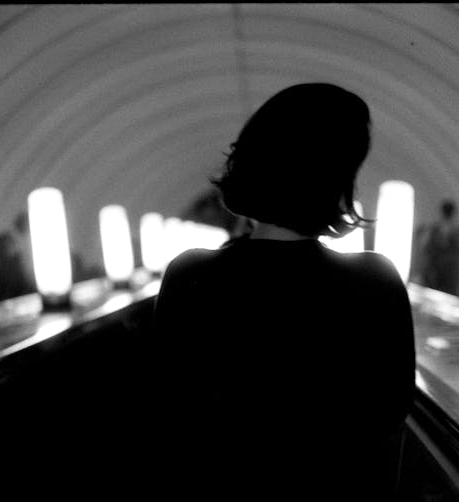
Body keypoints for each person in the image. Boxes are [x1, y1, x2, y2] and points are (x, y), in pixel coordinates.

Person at [151, 83, 416, 498]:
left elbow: (167, 422)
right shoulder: (375, 282)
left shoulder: (191, 276)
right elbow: (389, 425)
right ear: (338, 179)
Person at [419, 199, 459, 295]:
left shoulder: (434, 229)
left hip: (437, 268)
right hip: (450, 270)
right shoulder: (458, 231)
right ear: (454, 213)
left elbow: (426, 248)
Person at [0, 232, 30, 300]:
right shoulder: (0, 270)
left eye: (8, 246)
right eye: (5, 247)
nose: (7, 249)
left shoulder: (19, 265)